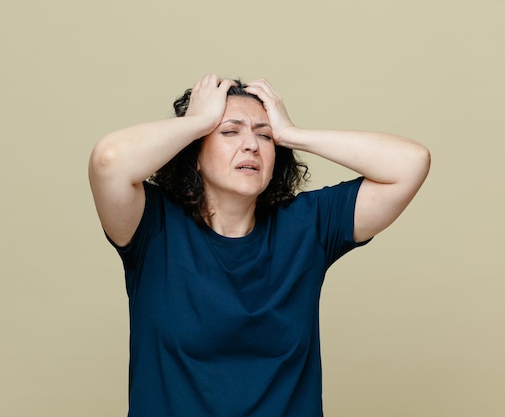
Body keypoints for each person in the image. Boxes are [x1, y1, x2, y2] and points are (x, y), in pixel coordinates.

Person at [88, 74, 431, 416]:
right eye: (229, 131)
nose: (251, 144)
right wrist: (199, 121)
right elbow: (108, 161)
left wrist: (291, 134)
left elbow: (410, 162)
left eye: (264, 135)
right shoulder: (152, 225)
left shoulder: (307, 226)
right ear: (194, 151)